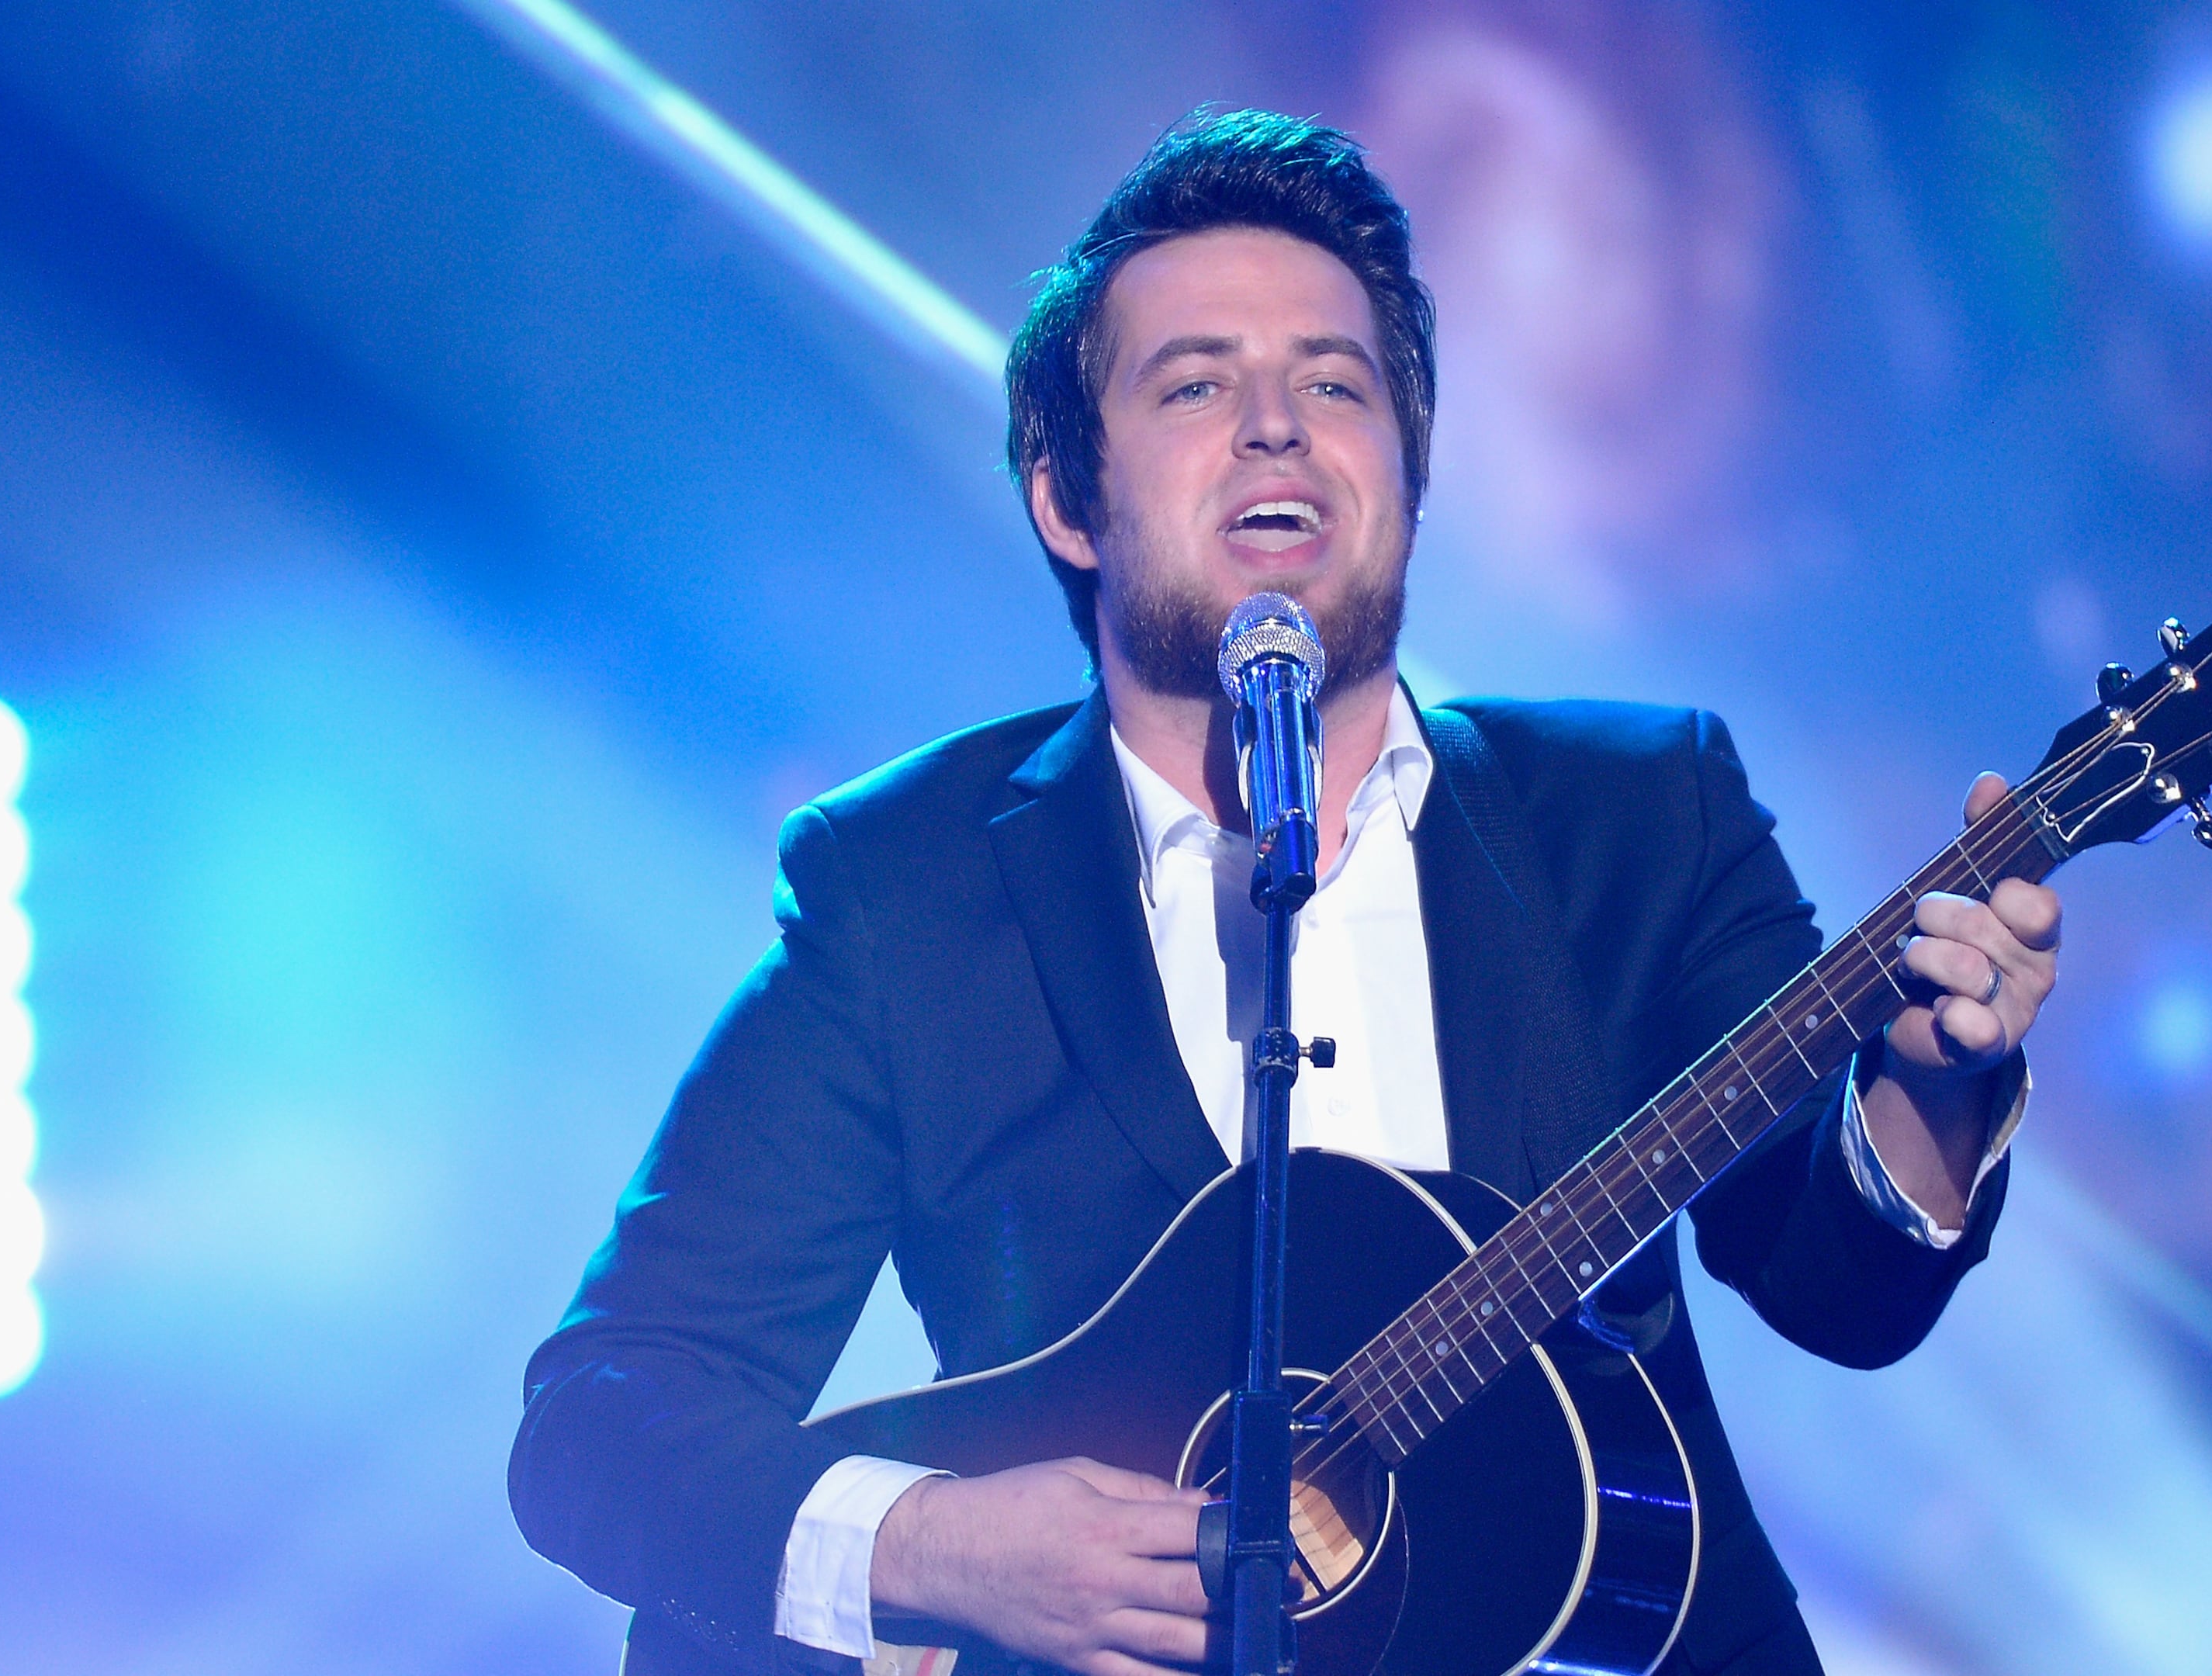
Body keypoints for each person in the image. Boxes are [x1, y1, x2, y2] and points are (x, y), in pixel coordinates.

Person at [510, 110, 2061, 1676]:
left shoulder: (1639, 813)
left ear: (1409, 467)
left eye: (1337, 382)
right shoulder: (906, 892)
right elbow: (604, 1419)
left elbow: (1844, 1293)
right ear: (1067, 494)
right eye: (1196, 385)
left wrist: (1933, 1097)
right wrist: (939, 1548)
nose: (1279, 427)